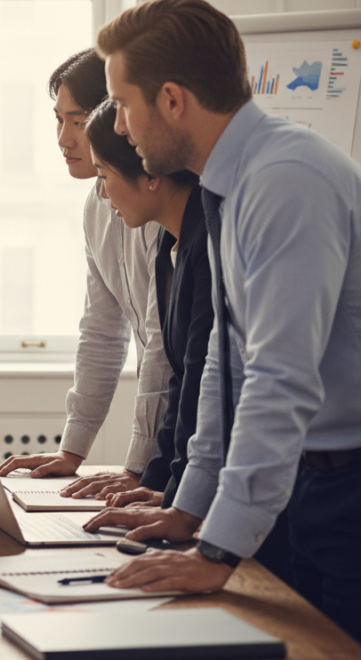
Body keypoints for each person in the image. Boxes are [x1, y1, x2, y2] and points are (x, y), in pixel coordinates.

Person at [82, 0, 361, 642]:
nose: (119, 128)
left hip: (348, 493)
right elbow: (225, 363)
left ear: (174, 100)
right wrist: (189, 507)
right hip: (305, 485)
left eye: (123, 104)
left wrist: (216, 551)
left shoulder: (285, 180)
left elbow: (277, 379)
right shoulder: (232, 185)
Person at [0, 50, 171, 499]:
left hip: (190, 428)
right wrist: (72, 451)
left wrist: (137, 467)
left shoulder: (158, 203)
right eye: (58, 120)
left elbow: (161, 350)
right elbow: (101, 332)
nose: (63, 138)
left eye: (77, 121)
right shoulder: (98, 202)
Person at [84, 100, 206, 509]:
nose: (101, 191)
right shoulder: (172, 244)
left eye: (104, 174)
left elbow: (208, 382)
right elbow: (182, 379)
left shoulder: (210, 241)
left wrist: (179, 501)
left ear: (150, 174)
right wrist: (157, 486)